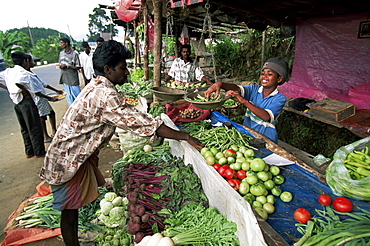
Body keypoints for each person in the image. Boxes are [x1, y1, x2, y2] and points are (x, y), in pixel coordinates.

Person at [39, 40, 203, 246]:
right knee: (69, 212)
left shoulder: (98, 85)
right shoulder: (104, 94)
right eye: (123, 67)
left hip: (73, 156)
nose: (126, 72)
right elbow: (143, 124)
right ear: (108, 69)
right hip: (68, 160)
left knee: (72, 209)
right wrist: (185, 137)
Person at [205, 57, 289, 144]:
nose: (264, 77)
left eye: (270, 74)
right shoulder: (254, 89)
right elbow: (237, 89)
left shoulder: (279, 98)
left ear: (279, 79)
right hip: (248, 134)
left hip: (266, 140)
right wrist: (220, 84)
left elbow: (266, 116)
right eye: (263, 73)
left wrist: (244, 101)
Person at [0, 51, 46, 158]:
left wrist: (8, 88)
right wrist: (50, 98)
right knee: (34, 126)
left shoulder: (8, 72)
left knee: (24, 128)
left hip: (17, 103)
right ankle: (39, 151)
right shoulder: (24, 73)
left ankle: (29, 151)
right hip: (27, 102)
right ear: (25, 61)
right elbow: (35, 91)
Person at [26, 54, 64, 143]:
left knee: (51, 113)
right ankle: (45, 136)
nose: (32, 62)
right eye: (31, 61)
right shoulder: (28, 76)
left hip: (43, 98)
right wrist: (50, 98)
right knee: (42, 117)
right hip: (39, 99)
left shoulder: (32, 73)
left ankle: (54, 131)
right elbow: (37, 92)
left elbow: (43, 83)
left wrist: (56, 90)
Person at [58, 38, 81, 106]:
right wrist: (60, 66)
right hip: (64, 78)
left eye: (62, 43)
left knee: (77, 97)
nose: (61, 44)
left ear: (66, 43)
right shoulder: (61, 53)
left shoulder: (74, 53)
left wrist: (68, 66)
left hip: (72, 79)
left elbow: (78, 66)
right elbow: (59, 63)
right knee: (69, 97)